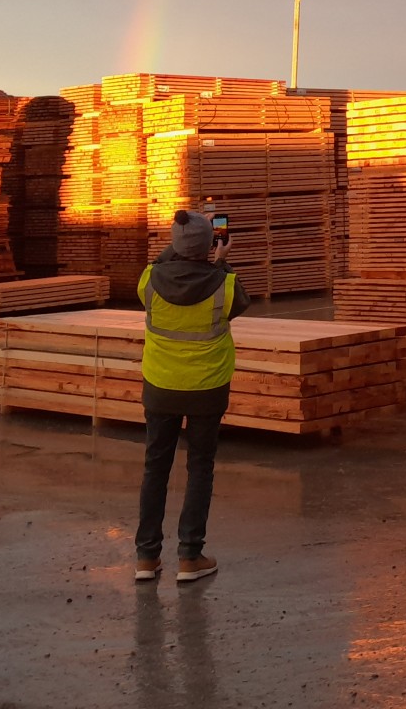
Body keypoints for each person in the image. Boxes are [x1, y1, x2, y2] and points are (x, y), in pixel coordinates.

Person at [136, 208, 249, 584]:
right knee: (200, 467)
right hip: (206, 388)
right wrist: (221, 260)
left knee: (155, 468)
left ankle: (146, 558)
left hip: (160, 386)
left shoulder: (149, 281)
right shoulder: (225, 284)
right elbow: (239, 301)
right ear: (209, 245)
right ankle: (189, 557)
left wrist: (183, 243)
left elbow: (160, 264)